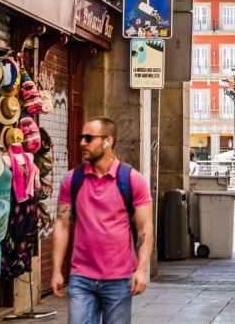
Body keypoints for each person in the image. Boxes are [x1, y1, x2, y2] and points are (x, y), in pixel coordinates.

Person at [52, 117, 154, 324]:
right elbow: (62, 225)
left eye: (88, 138)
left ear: (108, 141)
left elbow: (145, 228)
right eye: (82, 138)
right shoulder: (73, 180)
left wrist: (142, 269)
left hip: (119, 278)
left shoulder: (132, 180)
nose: (82, 143)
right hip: (81, 277)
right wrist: (56, 270)